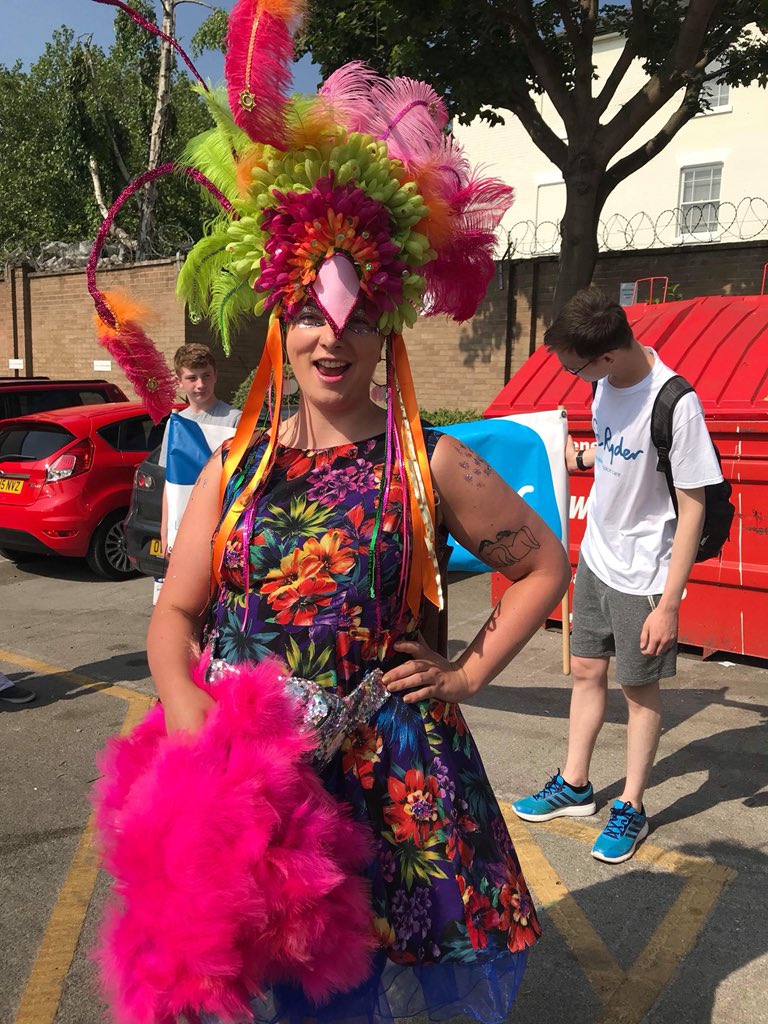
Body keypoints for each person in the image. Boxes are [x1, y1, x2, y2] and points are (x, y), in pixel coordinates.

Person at [86, 3, 569, 1021]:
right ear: (281, 317)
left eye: (350, 315)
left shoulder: (431, 460)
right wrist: (185, 710)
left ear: (386, 315)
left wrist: (470, 668)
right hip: (258, 794)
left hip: (392, 786)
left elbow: (544, 567)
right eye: (308, 311)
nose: (328, 340)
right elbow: (173, 617)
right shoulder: (233, 469)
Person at [513, 286, 723, 864]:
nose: (577, 379)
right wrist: (564, 452)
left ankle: (631, 805)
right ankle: (575, 786)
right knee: (585, 670)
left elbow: (695, 504)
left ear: (606, 355)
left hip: (646, 574)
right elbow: (609, 458)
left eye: (577, 368)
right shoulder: (606, 385)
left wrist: (670, 603)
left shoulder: (676, 403)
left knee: (638, 688)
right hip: (599, 559)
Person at [158, 343, 242, 558]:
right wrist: (166, 531)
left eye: (206, 376)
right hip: (183, 526)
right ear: (179, 381)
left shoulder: (235, 419)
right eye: (192, 378)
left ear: (215, 375)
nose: (200, 384)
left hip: (221, 525)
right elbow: (171, 485)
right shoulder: (175, 424)